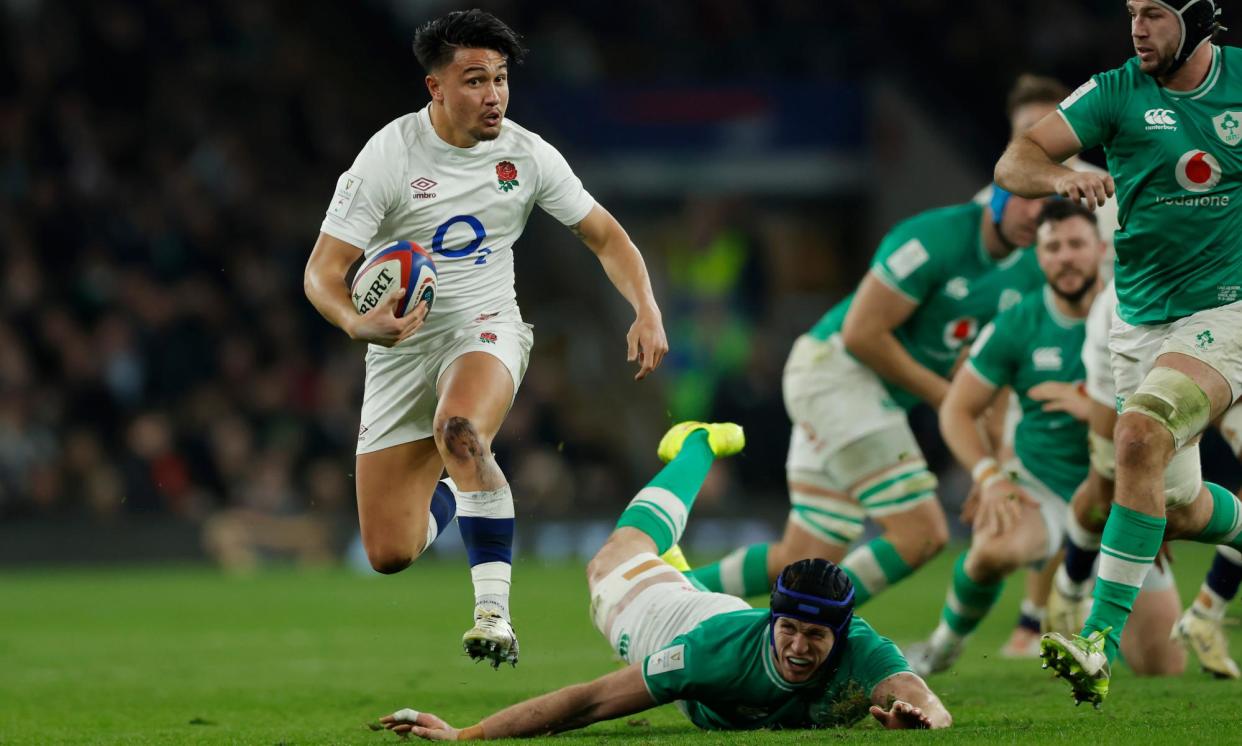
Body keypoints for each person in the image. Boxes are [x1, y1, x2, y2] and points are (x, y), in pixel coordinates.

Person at [302, 10, 667, 668]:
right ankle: (465, 489)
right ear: (435, 88)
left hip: (487, 329)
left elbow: (605, 235)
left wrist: (645, 307)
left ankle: (493, 615)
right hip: (396, 348)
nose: (493, 94)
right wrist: (357, 322)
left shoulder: (526, 156)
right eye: (474, 80)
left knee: (461, 427)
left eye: (500, 79)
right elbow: (323, 273)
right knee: (390, 552)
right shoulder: (388, 156)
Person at [379, 423, 951, 739]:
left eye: (816, 636)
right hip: (672, 626)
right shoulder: (711, 657)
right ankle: (699, 443)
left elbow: (923, 700)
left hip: (712, 609)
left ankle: (677, 568)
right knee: (610, 564)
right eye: (790, 629)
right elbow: (591, 701)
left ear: (842, 635)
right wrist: (467, 736)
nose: (800, 647)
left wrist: (920, 721)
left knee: (668, 566)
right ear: (773, 620)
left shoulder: (864, 650)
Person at [995, 0, 1242, 705]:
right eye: (1133, 12)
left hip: (1227, 310)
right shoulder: (1112, 92)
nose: (1138, 27)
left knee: (1137, 434)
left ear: (1200, 18)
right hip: (1139, 325)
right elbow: (1016, 159)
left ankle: (1091, 639)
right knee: (1182, 506)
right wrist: (1060, 178)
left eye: (1157, 13)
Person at [687, 190, 1047, 606]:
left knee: (801, 557)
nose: (1037, 212)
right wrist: (950, 403)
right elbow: (861, 334)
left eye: (1048, 203)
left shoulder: (1026, 271)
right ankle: (815, 625)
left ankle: (666, 595)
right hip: (837, 375)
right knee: (923, 533)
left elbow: (986, 372)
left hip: (857, 392)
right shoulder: (935, 238)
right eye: (1026, 198)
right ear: (997, 196)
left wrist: (992, 464)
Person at [905, 201, 1182, 677]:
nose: (1065, 257)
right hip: (1044, 487)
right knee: (992, 550)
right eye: (1052, 247)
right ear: (1038, 256)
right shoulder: (1018, 322)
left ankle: (1072, 596)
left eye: (1076, 244)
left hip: (1121, 498)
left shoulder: (1137, 316)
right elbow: (957, 409)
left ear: (1100, 250)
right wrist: (989, 475)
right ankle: (942, 647)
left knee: (1164, 671)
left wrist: (1093, 412)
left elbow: (1177, 408)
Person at [975, 73, 1123, 659]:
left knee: (1107, 484)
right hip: (1030, 370)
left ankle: (1067, 601)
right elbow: (987, 314)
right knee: (1039, 486)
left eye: (1045, 125)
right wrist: (990, 457)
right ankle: (1035, 616)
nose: (1034, 138)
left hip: (1112, 362)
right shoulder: (994, 205)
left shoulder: (1109, 193)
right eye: (1021, 132)